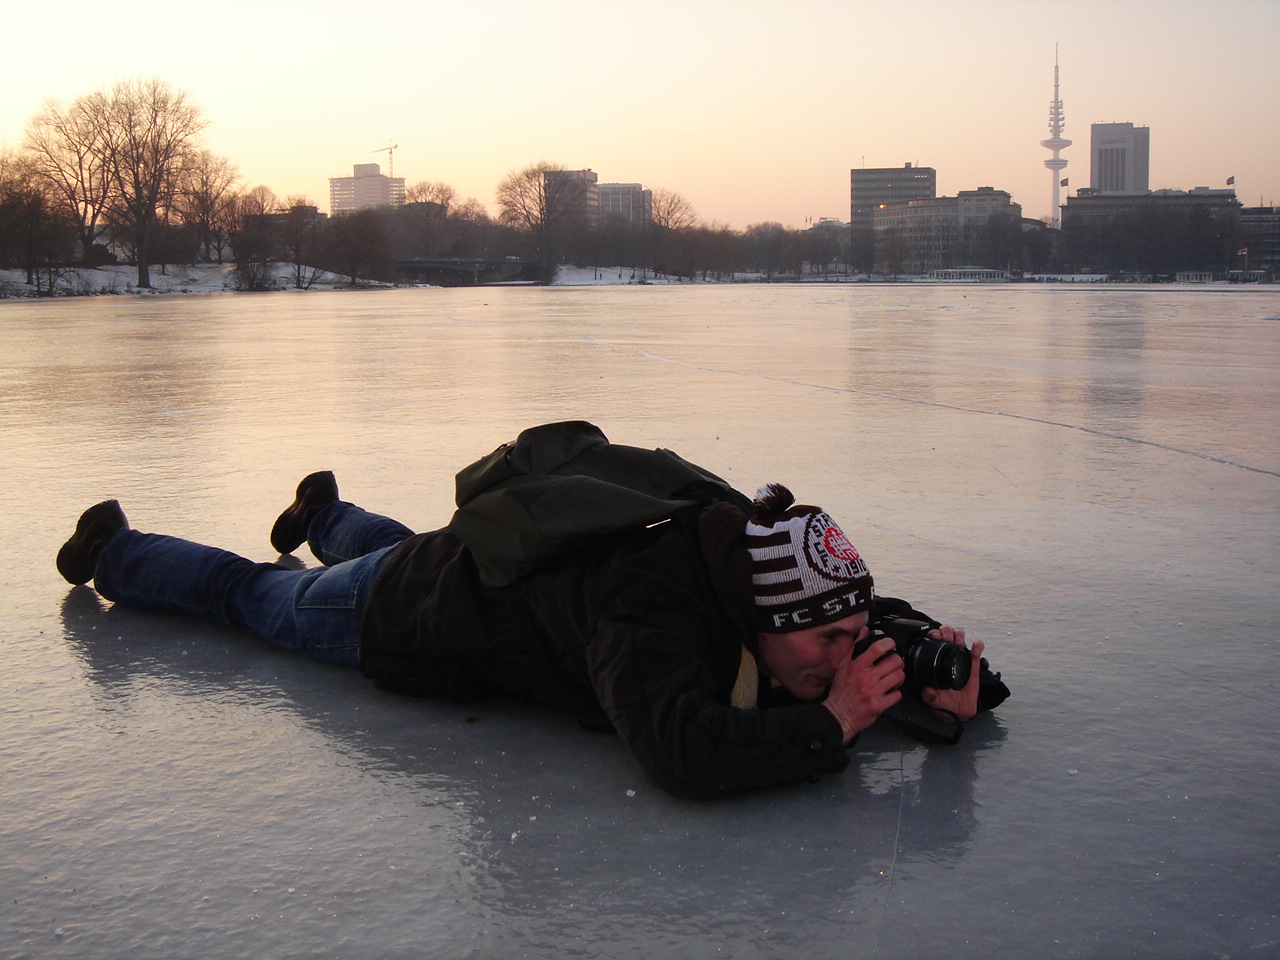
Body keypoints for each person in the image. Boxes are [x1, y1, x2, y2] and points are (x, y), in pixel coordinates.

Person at [56, 421, 1007, 800]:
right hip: (408, 615)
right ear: (767, 610)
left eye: (854, 636)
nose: (848, 653)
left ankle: (325, 514)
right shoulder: (654, 603)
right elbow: (680, 749)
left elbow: (873, 616)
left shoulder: (768, 567)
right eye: (832, 640)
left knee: (412, 544)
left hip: (472, 567)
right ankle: (115, 549)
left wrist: (952, 680)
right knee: (256, 597)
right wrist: (833, 722)